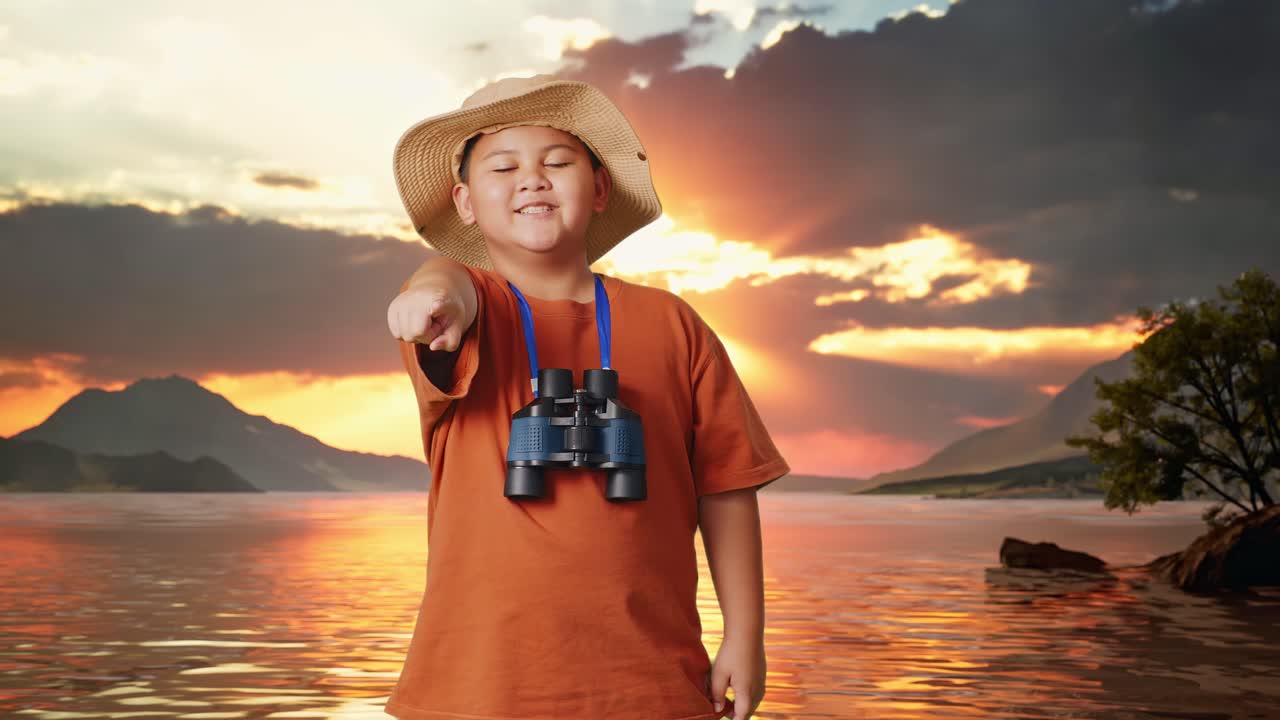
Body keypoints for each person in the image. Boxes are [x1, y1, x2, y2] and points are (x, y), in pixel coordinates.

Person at [384, 74, 790, 720]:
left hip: (653, 682)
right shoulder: (465, 308)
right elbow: (446, 279)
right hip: (478, 687)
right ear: (464, 201)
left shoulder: (672, 324)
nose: (532, 178)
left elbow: (727, 486)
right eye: (504, 165)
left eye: (558, 161)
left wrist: (745, 635)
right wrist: (429, 301)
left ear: (600, 188)